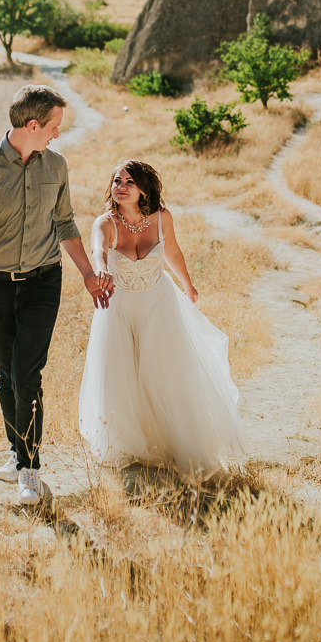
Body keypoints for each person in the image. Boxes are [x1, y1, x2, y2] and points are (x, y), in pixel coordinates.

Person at [0, 83, 111, 505]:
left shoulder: (56, 165)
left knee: (26, 375)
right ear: (33, 125)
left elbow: (66, 223)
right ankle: (18, 454)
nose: (58, 133)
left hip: (42, 283)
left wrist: (89, 274)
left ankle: (30, 470)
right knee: (5, 372)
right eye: (54, 126)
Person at [79, 159, 245, 482]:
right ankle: (130, 445)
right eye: (116, 181)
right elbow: (98, 251)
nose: (121, 187)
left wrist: (187, 284)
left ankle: (172, 440)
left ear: (144, 188)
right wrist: (101, 269)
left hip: (159, 303)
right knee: (122, 375)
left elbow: (173, 252)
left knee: (164, 372)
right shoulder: (105, 223)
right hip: (119, 308)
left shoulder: (161, 218)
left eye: (128, 181)